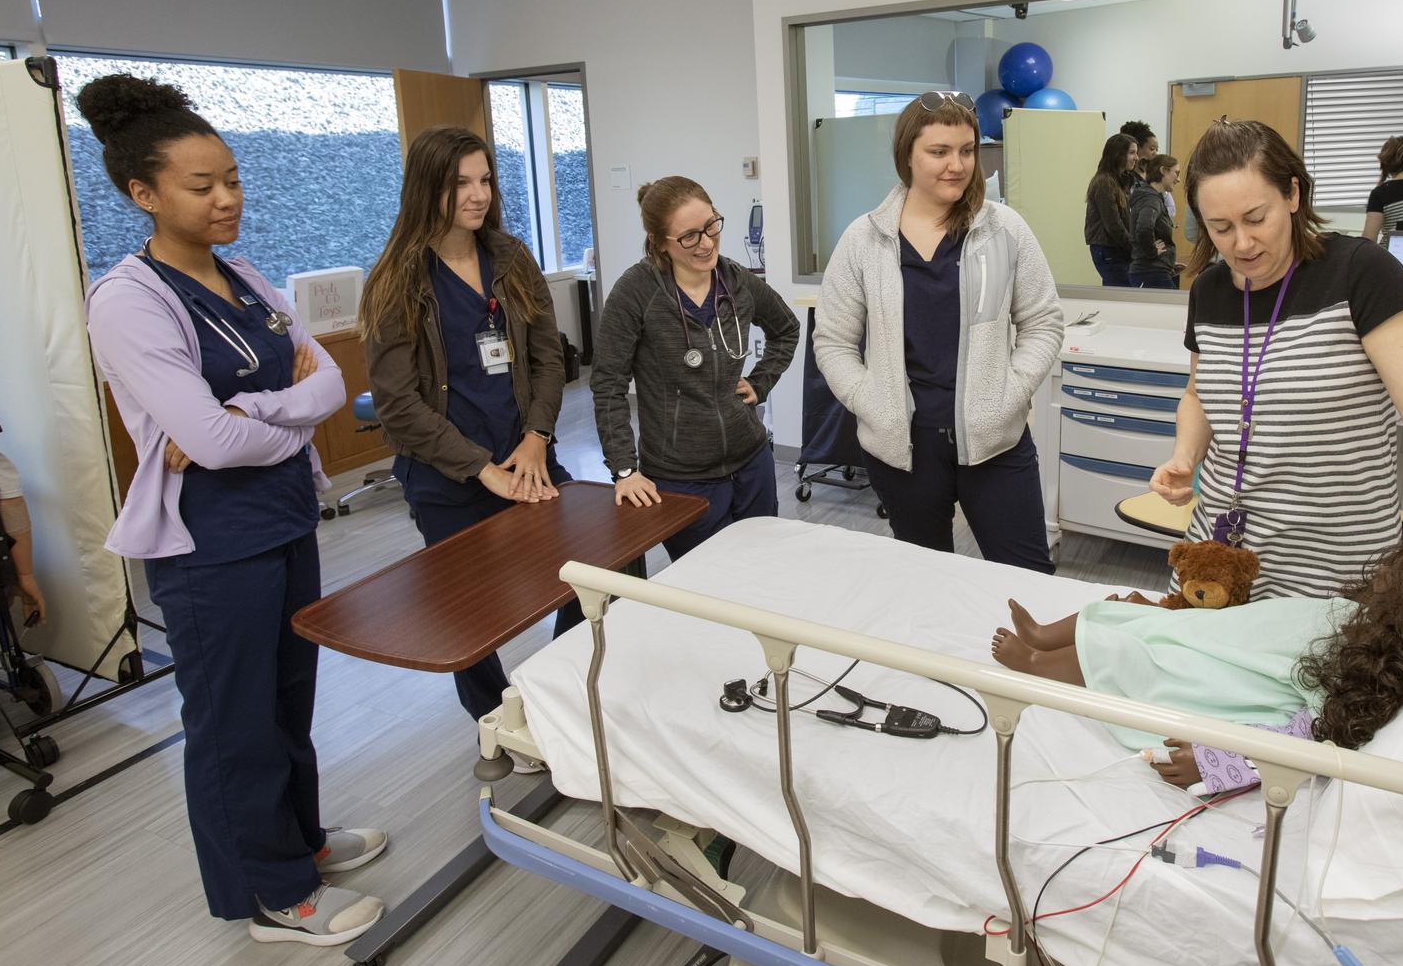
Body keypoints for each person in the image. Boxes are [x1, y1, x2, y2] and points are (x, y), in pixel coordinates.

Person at [79, 75, 385, 947]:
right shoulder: (131, 300)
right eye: (201, 186)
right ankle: (271, 894)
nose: (227, 199)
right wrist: (270, 415)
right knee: (232, 723)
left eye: (233, 179)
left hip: (285, 519)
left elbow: (328, 381)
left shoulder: (245, 276)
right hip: (211, 544)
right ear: (144, 194)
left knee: (290, 705)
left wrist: (253, 413)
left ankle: (303, 843)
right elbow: (206, 447)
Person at [1152, 119, 1403, 602]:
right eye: (1221, 228)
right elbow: (1200, 394)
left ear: (1293, 195)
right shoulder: (1212, 291)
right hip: (1220, 547)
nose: (1241, 243)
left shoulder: (1359, 272)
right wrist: (1184, 456)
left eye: (1256, 219)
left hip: (1333, 560)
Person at [989, 526, 1403, 791]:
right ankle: (1043, 636)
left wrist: (1222, 763)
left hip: (1224, 675)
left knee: (1132, 655)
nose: (1384, 576)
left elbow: (1307, 738)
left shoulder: (1370, 680)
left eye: (1399, 579)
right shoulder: (1361, 616)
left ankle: (1037, 666)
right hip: (1223, 636)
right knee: (1129, 614)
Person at [363, 125, 572, 719]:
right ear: (427, 189)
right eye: (460, 183)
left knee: (587, 574)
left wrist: (536, 440)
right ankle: (495, 718)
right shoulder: (396, 281)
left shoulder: (510, 258)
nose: (477, 195)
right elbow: (399, 406)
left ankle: (554, 698)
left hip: (528, 457)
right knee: (469, 613)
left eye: (484, 180)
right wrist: (482, 469)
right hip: (450, 477)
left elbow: (547, 356)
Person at [815, 91, 1065, 572]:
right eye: (939, 152)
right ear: (906, 155)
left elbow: (1042, 321)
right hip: (904, 449)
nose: (957, 165)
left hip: (995, 442)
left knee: (1029, 576)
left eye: (967, 150)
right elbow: (833, 341)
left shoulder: (1004, 230)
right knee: (926, 580)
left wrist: (1010, 392)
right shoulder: (864, 240)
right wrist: (871, 402)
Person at [592, 175, 799, 559]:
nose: (706, 243)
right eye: (689, 236)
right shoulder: (636, 293)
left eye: (711, 226)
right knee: (707, 593)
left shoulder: (736, 280)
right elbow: (608, 384)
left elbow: (786, 328)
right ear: (659, 243)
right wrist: (624, 469)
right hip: (682, 478)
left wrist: (761, 381)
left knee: (764, 573)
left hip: (752, 462)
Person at [1082, 133, 1137, 287]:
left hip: (1117, 249)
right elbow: (1113, 224)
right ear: (1118, 154)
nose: (1136, 158)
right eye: (1132, 153)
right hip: (1108, 250)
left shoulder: (1119, 181)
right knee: (1121, 297)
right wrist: (1135, 248)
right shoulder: (1104, 183)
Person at [1127, 153, 1185, 289]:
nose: (1178, 179)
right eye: (1176, 173)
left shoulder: (1153, 198)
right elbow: (1143, 228)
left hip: (1155, 270)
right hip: (1150, 273)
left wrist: (1168, 262)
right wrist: (1152, 251)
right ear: (1163, 171)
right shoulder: (1151, 199)